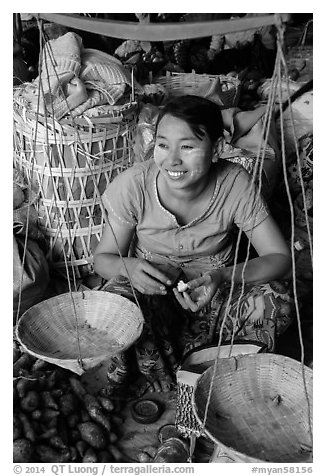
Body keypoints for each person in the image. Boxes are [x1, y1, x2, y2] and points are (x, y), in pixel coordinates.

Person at [94, 95, 293, 395]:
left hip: (213, 293)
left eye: (187, 146)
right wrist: (129, 267)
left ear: (216, 149)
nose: (172, 160)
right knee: (117, 301)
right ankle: (164, 371)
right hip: (154, 296)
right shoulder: (134, 185)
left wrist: (222, 276)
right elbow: (103, 259)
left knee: (277, 302)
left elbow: (278, 257)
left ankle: (209, 369)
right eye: (163, 145)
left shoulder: (234, 183)